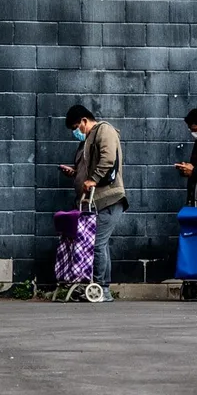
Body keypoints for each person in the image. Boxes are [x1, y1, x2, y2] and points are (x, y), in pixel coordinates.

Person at [60, 105, 125, 300]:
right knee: (101, 245)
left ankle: (100, 289)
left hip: (108, 200)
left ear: (84, 121)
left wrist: (93, 179)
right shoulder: (87, 141)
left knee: (96, 244)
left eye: (75, 127)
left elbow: (108, 158)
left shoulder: (104, 130)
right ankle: (103, 289)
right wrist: (75, 172)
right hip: (95, 201)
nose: (75, 132)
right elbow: (89, 168)